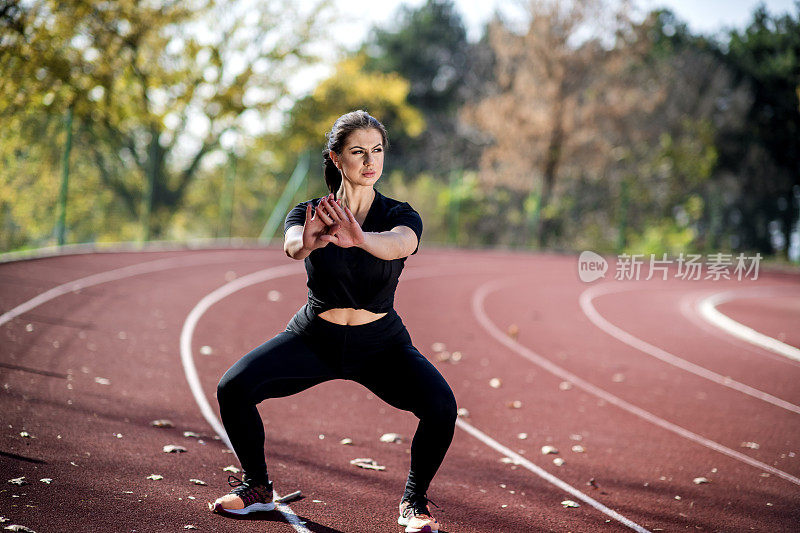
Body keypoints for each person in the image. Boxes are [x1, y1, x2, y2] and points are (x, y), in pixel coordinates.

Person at [209, 110, 457, 533]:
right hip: (314, 337)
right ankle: (257, 487)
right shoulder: (310, 212)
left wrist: (360, 238)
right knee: (233, 389)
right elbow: (292, 246)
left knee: (442, 407)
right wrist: (307, 242)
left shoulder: (399, 213)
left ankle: (413, 502)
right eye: (358, 152)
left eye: (376, 151)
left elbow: (402, 244)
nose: (369, 162)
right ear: (336, 158)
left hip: (381, 344)